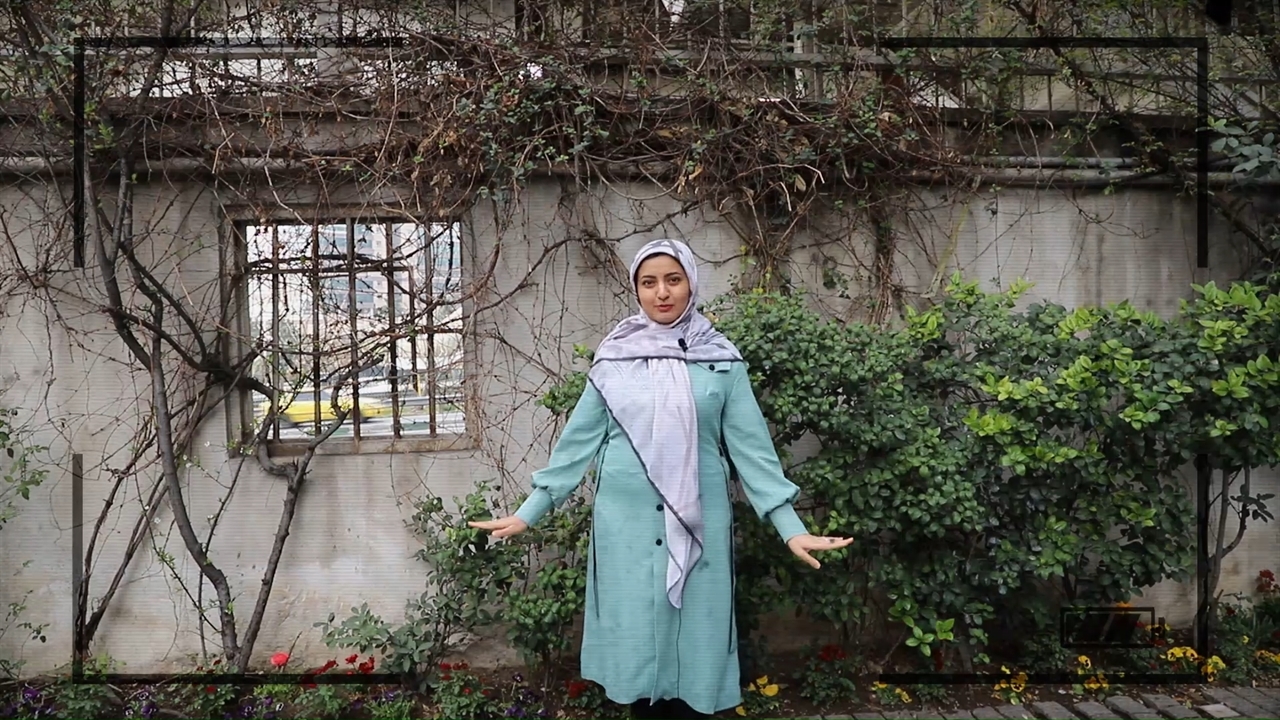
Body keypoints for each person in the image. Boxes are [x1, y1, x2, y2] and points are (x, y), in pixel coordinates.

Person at [470, 238, 854, 719]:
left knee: (696, 652)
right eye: (649, 282)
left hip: (700, 528)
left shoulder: (721, 361)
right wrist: (529, 512)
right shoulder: (613, 361)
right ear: (636, 290)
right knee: (636, 661)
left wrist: (790, 528)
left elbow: (753, 452)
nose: (662, 292)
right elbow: (576, 445)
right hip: (624, 531)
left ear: (691, 283)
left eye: (673, 279)